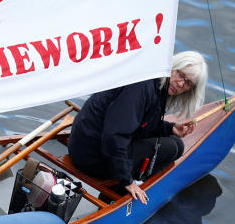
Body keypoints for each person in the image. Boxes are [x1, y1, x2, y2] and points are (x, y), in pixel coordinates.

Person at [68, 51, 208, 205]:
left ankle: (126, 182)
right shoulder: (141, 88)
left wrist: (170, 129)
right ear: (171, 66)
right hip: (91, 157)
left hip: (86, 146)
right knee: (174, 147)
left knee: (174, 140)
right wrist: (127, 181)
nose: (180, 83)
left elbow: (140, 125)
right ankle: (118, 194)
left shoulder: (152, 81)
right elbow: (114, 136)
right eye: (180, 74)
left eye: (188, 83)